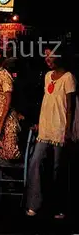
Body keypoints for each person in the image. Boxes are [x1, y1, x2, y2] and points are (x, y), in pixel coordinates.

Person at [26, 46, 76, 219]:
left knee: (57, 168)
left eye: (50, 55)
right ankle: (34, 204)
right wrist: (40, 122)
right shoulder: (48, 76)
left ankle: (59, 206)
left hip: (60, 129)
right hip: (45, 128)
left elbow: (70, 107)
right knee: (35, 163)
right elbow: (47, 103)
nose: (47, 59)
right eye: (45, 56)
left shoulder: (68, 77)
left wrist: (68, 130)